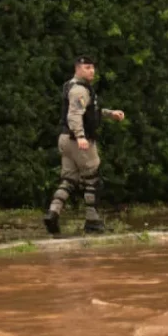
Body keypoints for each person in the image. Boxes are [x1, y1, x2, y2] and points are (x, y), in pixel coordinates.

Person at [44, 55, 125, 236]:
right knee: (92, 179)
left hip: (65, 140)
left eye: (93, 67)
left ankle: (53, 212)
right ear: (78, 68)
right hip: (78, 141)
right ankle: (92, 221)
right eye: (87, 67)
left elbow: (90, 111)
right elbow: (74, 115)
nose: (92, 71)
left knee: (69, 180)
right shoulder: (79, 90)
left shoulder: (73, 87)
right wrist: (81, 136)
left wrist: (110, 114)